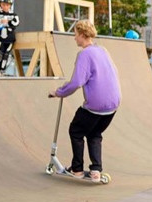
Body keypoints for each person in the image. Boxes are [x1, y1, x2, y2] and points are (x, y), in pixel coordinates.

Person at [49, 20, 121, 183]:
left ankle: (77, 169)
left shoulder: (84, 54)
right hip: (113, 104)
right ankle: (96, 170)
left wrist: (58, 92)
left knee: (76, 130)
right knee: (94, 133)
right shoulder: (103, 50)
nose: (74, 38)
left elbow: (76, 82)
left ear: (82, 35)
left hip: (97, 104)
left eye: (75, 35)